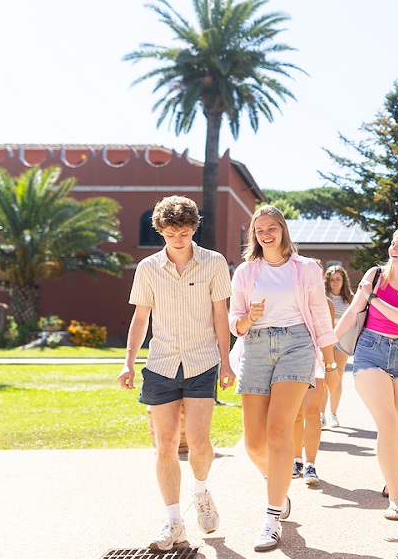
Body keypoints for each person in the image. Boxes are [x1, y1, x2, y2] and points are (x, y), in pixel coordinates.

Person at [116, 195, 234, 552]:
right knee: (164, 444)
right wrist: (128, 362)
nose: (177, 239)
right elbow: (141, 318)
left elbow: (220, 316)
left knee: (198, 442)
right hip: (161, 364)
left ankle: (200, 493)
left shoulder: (213, 263)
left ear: (194, 228)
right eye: (170, 233)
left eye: (183, 232)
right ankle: (173, 521)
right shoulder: (148, 268)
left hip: (201, 363)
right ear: (160, 232)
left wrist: (226, 362)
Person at [229, 205, 338, 552]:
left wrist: (332, 366)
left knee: (278, 431)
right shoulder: (246, 272)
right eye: (259, 229)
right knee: (254, 443)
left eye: (272, 227)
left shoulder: (305, 268)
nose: (266, 233)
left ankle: (272, 516)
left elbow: (321, 316)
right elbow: (235, 322)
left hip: (296, 345)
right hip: (257, 346)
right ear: (254, 235)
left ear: (283, 230)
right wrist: (249, 317)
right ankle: (276, 483)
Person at [334, 227, 398, 521]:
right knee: (388, 425)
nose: (393, 248)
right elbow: (352, 312)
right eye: (392, 244)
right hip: (370, 349)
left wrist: (373, 299)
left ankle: (393, 478)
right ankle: (396, 498)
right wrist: (325, 343)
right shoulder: (376, 275)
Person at [291, 294, 336, 486]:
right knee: (295, 414)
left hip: (316, 360)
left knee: (312, 412)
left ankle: (310, 463)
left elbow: (328, 336)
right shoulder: (291, 298)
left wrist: (329, 368)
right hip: (291, 361)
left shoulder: (326, 303)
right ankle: (296, 459)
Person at [322, 265, 353, 428]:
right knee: (322, 378)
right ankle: (321, 414)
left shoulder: (350, 299)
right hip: (325, 342)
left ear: (343, 281)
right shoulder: (322, 297)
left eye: (338, 279)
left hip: (342, 343)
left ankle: (332, 414)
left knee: (337, 378)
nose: (335, 282)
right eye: (332, 279)